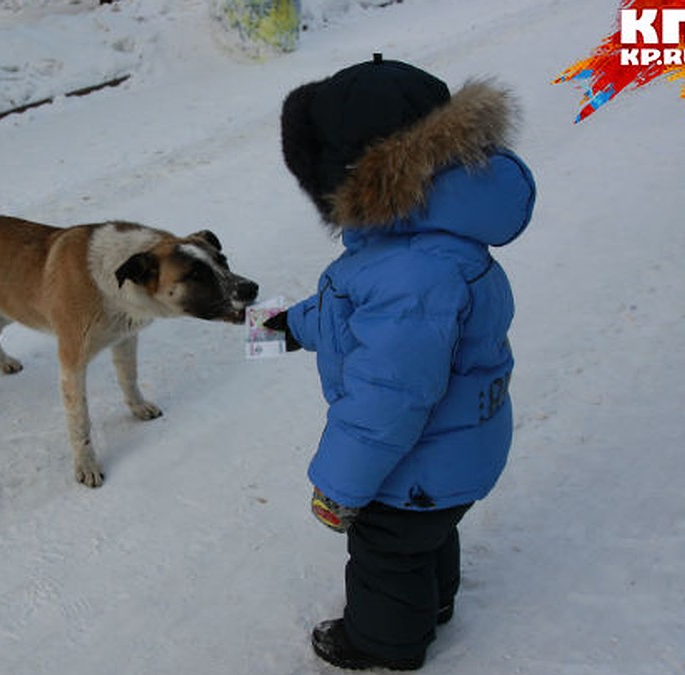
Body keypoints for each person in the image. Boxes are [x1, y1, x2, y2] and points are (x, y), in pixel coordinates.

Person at [263, 55, 537, 670]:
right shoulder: (417, 240)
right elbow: (352, 308)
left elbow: (387, 400)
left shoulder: (413, 272)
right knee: (427, 533)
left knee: (388, 549)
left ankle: (384, 643)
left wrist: (338, 486)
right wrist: (283, 328)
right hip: (456, 451)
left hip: (420, 458)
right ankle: (434, 603)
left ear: (354, 175)